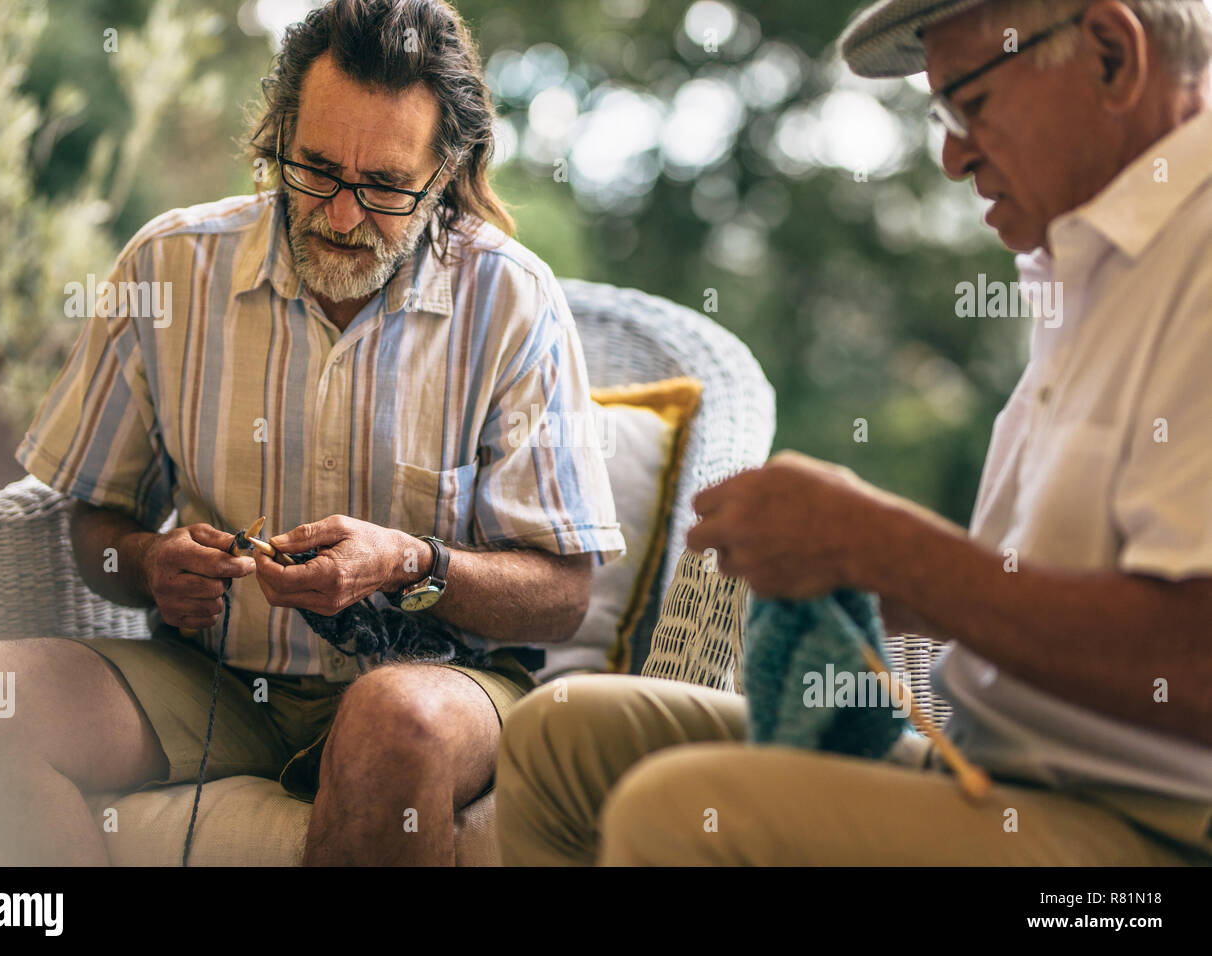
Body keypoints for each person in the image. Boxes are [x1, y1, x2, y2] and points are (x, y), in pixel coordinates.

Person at [495, 0, 1212, 866]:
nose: (953, 157)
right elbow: (1048, 592)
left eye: (970, 104)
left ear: (1108, 53)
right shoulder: (1089, 268)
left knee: (676, 814)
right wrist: (841, 557)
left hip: (1150, 835)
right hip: (994, 770)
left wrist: (881, 547)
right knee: (564, 737)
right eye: (941, 116)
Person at [0, 0, 623, 866]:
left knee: (391, 723)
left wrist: (412, 564)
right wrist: (148, 565)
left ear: (446, 173)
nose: (341, 214)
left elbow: (562, 595)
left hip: (440, 687)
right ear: (278, 133)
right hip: (212, 679)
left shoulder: (512, 300)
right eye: (316, 168)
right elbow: (92, 525)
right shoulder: (167, 268)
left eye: (387, 187)